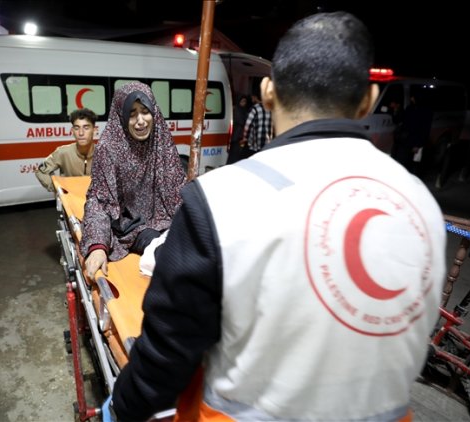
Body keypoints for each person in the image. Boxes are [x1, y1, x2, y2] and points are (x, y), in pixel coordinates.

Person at [107, 11, 447, 421]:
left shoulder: (218, 201)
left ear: (268, 92)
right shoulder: (421, 206)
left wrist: (118, 409)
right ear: (369, 100)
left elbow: (164, 360)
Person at [80, 82, 186, 281]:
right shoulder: (109, 148)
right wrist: (97, 246)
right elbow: (99, 200)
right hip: (132, 227)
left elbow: (178, 187)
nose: (140, 121)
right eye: (132, 113)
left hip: (166, 220)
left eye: (145, 111)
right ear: (121, 116)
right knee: (171, 257)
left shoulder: (160, 140)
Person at [34, 108, 97, 192]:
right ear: (72, 131)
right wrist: (58, 189)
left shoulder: (104, 154)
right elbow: (40, 171)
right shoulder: (63, 152)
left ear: (94, 130)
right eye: (77, 128)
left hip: (96, 203)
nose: (81, 133)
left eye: (86, 128)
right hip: (70, 203)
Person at [240, 92, 272, 157]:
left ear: (255, 97)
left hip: (255, 142)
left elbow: (247, 125)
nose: (251, 98)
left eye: (252, 97)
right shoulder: (270, 108)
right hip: (267, 141)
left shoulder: (254, 108)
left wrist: (244, 138)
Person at [226, 94, 252, 164]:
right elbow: (241, 121)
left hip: (239, 135)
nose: (244, 103)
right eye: (242, 101)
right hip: (236, 135)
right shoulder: (237, 110)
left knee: (237, 152)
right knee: (234, 152)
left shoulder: (244, 110)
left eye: (245, 102)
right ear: (239, 101)